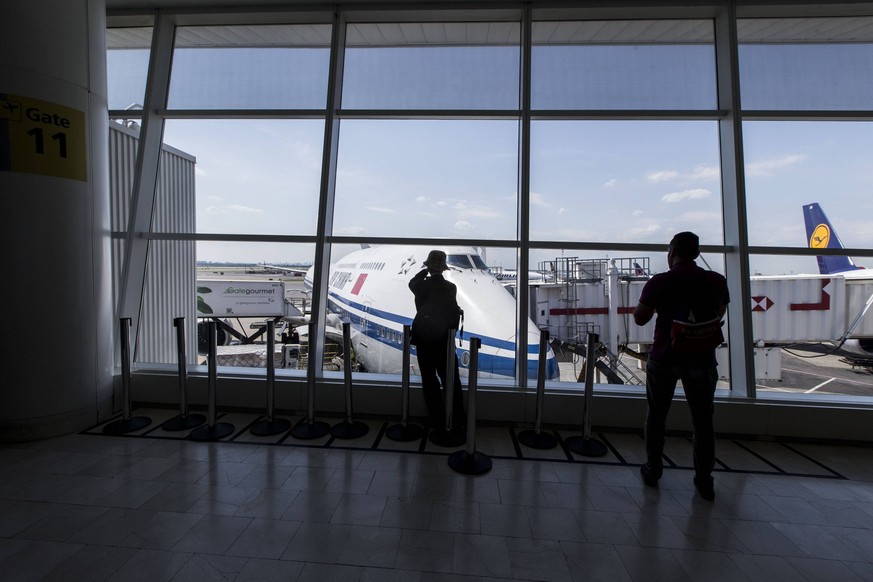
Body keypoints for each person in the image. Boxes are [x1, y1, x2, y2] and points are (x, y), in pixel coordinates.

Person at [633, 232, 730, 501]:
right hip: (702, 360)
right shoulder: (716, 281)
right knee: (703, 423)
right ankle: (704, 479)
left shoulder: (661, 282)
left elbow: (640, 319)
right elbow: (719, 313)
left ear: (672, 252)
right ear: (697, 253)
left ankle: (653, 470)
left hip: (665, 358)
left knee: (656, 417)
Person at [409, 250, 466, 429]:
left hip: (424, 340)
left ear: (429, 266)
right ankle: (457, 418)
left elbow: (412, 282)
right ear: (443, 268)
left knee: (429, 379)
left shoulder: (421, 286)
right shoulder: (451, 287)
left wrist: (424, 271)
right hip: (444, 341)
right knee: (451, 380)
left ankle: (437, 418)